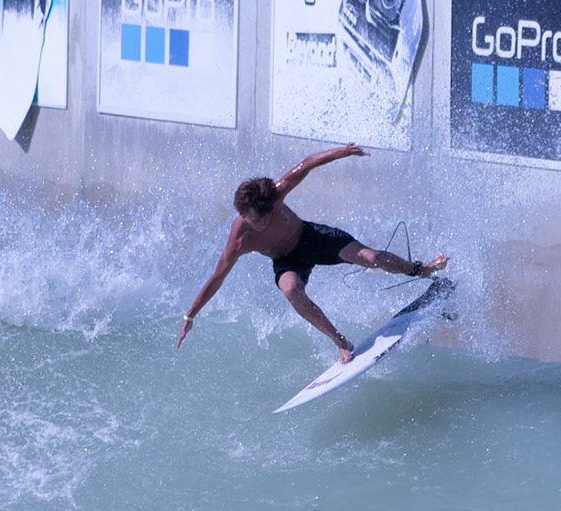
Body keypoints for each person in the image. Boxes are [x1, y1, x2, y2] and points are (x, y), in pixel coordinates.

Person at [177, 145, 447, 364]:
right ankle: (341, 342)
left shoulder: (274, 195)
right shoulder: (239, 242)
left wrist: (343, 152)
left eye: (266, 214)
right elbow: (217, 278)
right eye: (256, 218)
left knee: (372, 258)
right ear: (242, 215)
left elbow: (306, 164)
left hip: (313, 238)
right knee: (290, 289)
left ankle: (420, 269)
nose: (264, 220)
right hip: (287, 261)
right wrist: (190, 315)